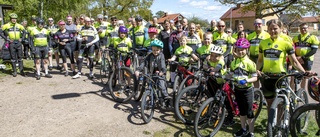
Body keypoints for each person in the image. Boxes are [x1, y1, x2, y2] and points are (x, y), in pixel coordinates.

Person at [256, 19, 306, 111]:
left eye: (275, 28)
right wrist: (256, 70)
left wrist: (303, 72)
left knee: (280, 103)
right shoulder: (263, 43)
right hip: (266, 76)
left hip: (280, 76)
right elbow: (260, 60)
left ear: (281, 28)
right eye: (270, 29)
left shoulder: (286, 43)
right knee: (269, 103)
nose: (272, 31)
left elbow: (294, 61)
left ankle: (279, 124)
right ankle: (270, 124)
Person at [231, 38, 257, 137]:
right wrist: (225, 76)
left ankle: (251, 132)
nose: (240, 51)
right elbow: (231, 73)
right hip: (238, 89)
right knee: (242, 111)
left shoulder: (250, 63)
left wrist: (247, 80)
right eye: (238, 49)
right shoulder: (234, 62)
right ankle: (243, 129)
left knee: (249, 112)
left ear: (247, 50)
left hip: (247, 90)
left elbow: (255, 77)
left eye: (243, 49)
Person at [134, 39, 170, 105]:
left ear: (160, 50)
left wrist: (162, 71)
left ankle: (166, 98)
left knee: (161, 86)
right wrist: (138, 70)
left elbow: (163, 65)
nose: (155, 52)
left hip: (160, 74)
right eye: (153, 50)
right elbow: (144, 63)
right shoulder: (149, 56)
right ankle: (151, 98)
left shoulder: (161, 56)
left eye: (157, 50)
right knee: (150, 85)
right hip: (151, 73)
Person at [293, 23, 319, 92]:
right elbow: (293, 49)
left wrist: (303, 57)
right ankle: (292, 92)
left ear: (308, 28)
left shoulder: (313, 37)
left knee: (305, 76)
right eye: (301, 28)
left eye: (305, 28)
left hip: (307, 60)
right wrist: (296, 57)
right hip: (297, 59)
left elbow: (314, 50)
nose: (303, 29)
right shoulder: (295, 38)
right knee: (293, 75)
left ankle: (302, 91)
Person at [168, 22, 187, 87]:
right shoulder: (173, 34)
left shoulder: (185, 33)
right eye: (178, 26)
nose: (179, 27)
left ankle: (183, 82)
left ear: (182, 26)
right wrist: (171, 53)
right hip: (175, 52)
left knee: (183, 68)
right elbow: (170, 44)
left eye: (180, 26)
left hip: (183, 53)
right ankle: (173, 82)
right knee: (173, 68)